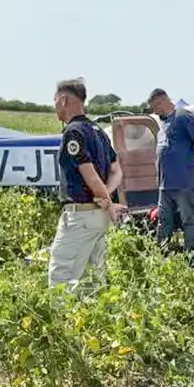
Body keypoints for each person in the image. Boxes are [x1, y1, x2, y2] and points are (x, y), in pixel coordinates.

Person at [50, 78, 124, 289]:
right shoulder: (98, 131)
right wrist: (107, 193)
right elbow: (116, 170)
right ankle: (93, 320)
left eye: (55, 100)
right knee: (92, 277)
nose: (54, 106)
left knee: (61, 276)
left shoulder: (74, 132)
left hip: (81, 216)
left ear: (63, 100)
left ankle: (61, 319)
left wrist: (106, 200)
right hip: (97, 215)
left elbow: (89, 176)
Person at [146, 88, 194, 255]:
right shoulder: (164, 123)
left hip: (183, 182)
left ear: (162, 102)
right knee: (163, 220)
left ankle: (191, 255)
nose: (154, 111)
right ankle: (161, 253)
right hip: (165, 185)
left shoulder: (182, 116)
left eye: (155, 107)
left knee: (188, 219)